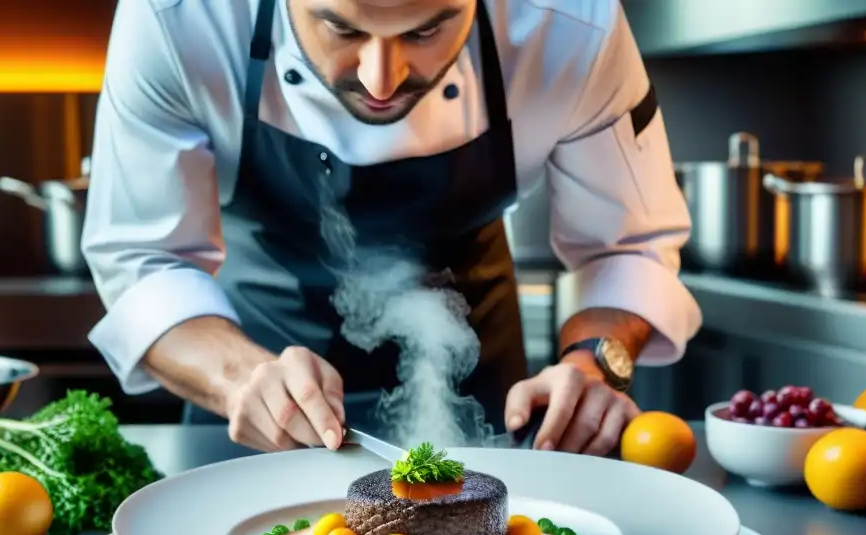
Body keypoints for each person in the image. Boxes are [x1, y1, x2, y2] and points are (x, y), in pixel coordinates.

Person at [81, 0, 702, 456]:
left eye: (428, 28)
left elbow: (631, 248)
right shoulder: (177, 17)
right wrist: (241, 380)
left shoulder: (571, 24)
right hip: (251, 393)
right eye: (341, 26)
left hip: (490, 402)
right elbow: (143, 260)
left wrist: (596, 367)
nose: (383, 81)